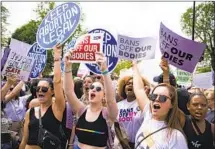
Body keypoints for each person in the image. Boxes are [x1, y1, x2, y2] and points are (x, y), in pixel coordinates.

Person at [63, 51, 118, 149]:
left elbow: (111, 100)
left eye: (98, 89)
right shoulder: (81, 110)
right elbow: (68, 92)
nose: (93, 89)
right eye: (92, 87)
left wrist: (104, 70)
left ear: (104, 95)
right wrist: (67, 67)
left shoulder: (108, 115)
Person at [19, 44, 66, 149]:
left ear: (52, 92)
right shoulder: (29, 112)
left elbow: (57, 82)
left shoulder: (57, 109)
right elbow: (24, 139)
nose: (40, 91)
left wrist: (57, 58)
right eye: (38, 89)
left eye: (44, 89)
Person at [132, 61, 188, 149]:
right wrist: (134, 64)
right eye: (153, 96)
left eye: (163, 98)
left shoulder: (176, 137)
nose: (157, 99)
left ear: (172, 104)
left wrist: (166, 74)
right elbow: (139, 89)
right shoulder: (148, 115)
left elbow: (170, 92)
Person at [114, 75, 151, 148]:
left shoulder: (144, 104)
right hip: (122, 145)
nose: (130, 85)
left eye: (134, 84)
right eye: (128, 84)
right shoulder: (118, 105)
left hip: (140, 144)